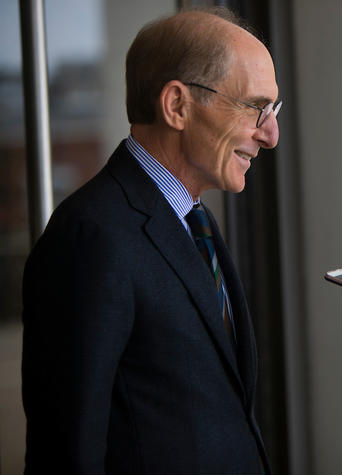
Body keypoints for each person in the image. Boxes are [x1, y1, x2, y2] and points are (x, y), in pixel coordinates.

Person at [21, 8, 280, 474]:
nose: (270, 134)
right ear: (177, 106)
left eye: (273, 111)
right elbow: (66, 450)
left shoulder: (193, 221)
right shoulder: (90, 237)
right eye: (255, 107)